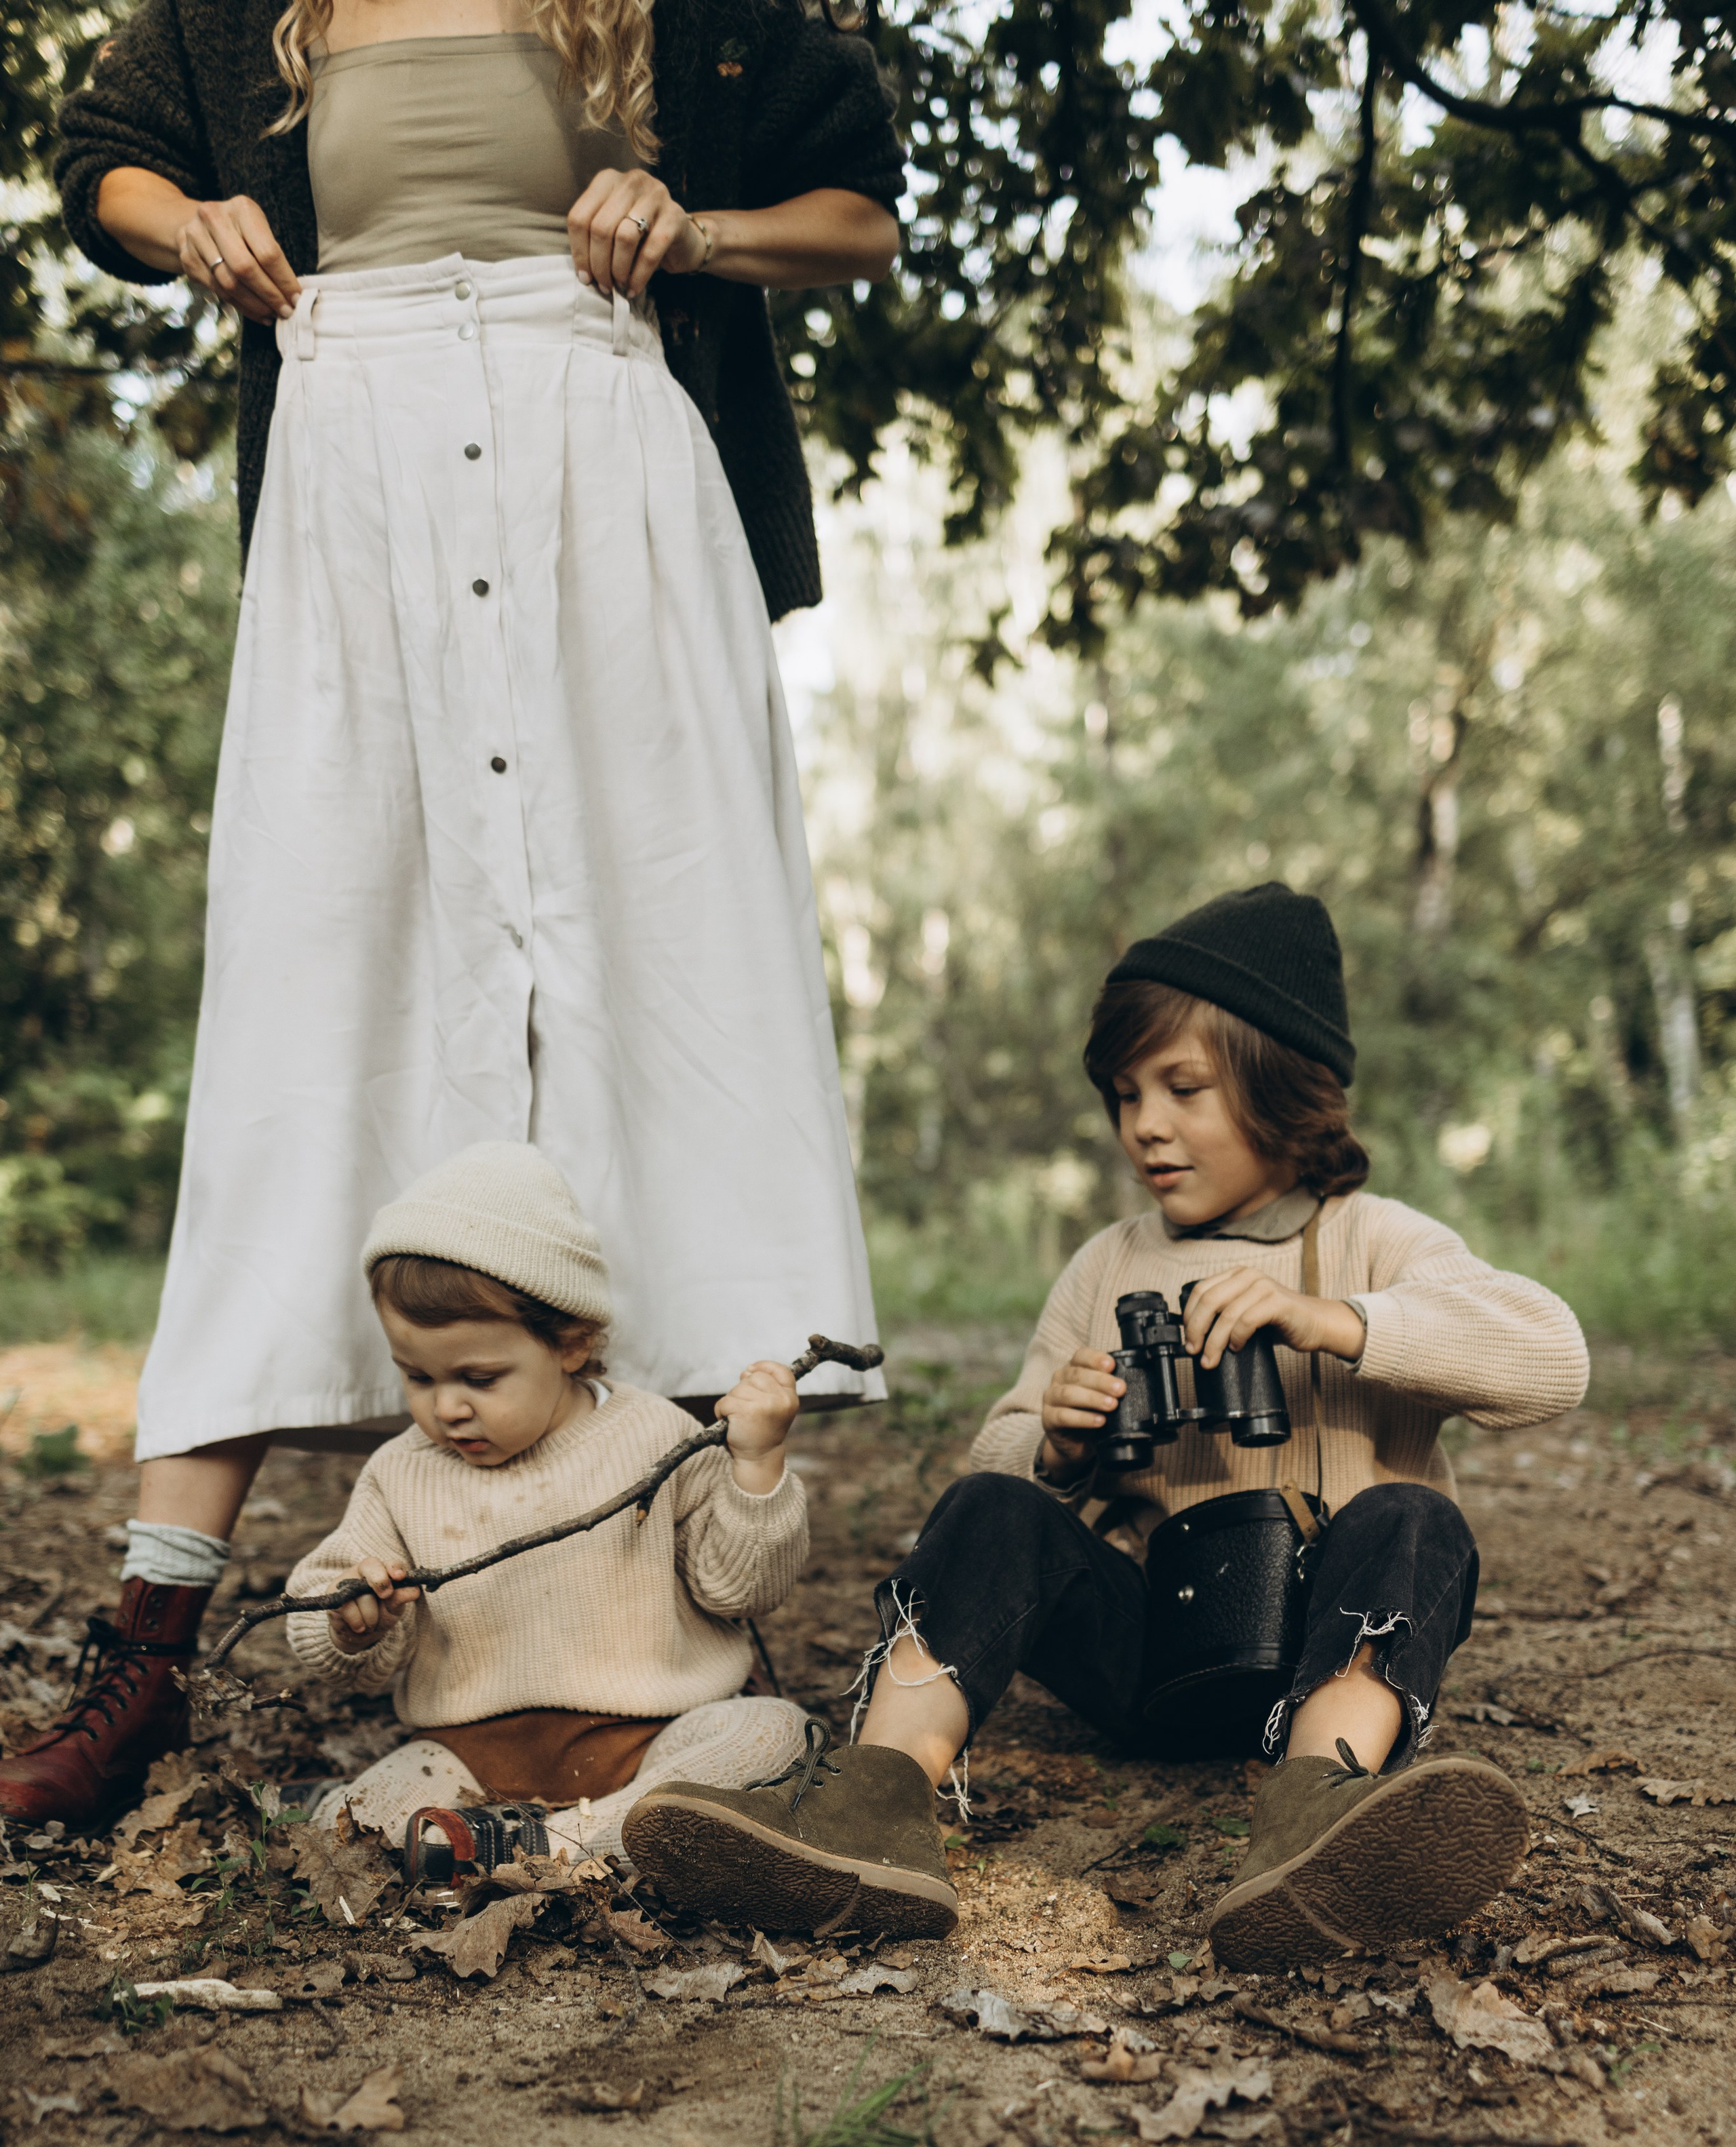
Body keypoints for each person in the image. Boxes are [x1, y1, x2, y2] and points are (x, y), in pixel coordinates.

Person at [16, 0, 899, 1826]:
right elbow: (94, 159)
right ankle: (149, 1656)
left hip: (618, 489)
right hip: (356, 497)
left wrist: (694, 230)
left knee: (673, 1002)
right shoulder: (238, 10)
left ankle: (668, 1611)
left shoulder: (684, 9)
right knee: (307, 1015)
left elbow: (859, 207)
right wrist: (182, 224)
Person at [620, 882, 1591, 1965]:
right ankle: (875, 1805)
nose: (1146, 1127)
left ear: (1284, 1089)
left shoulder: (1372, 1238)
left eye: (1184, 1089)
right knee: (990, 1503)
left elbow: (1550, 1357)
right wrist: (1057, 1446)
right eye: (1126, 1095)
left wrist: (1336, 1322)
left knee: (1415, 1518)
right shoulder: (1110, 1266)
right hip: (1156, 1657)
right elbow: (997, 1477)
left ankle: (1317, 1809)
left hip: (1322, 1647)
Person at [273, 1141, 812, 1859]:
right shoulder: (401, 1471)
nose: (447, 1408)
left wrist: (757, 1465)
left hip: (650, 1743)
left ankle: (562, 1841)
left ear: (570, 1343)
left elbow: (738, 1591)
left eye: (479, 1377)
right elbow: (327, 1613)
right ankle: (576, 1844)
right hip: (466, 1761)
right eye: (419, 1377)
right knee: (355, 1827)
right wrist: (353, 1619)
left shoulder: (654, 1435)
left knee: (776, 1734)